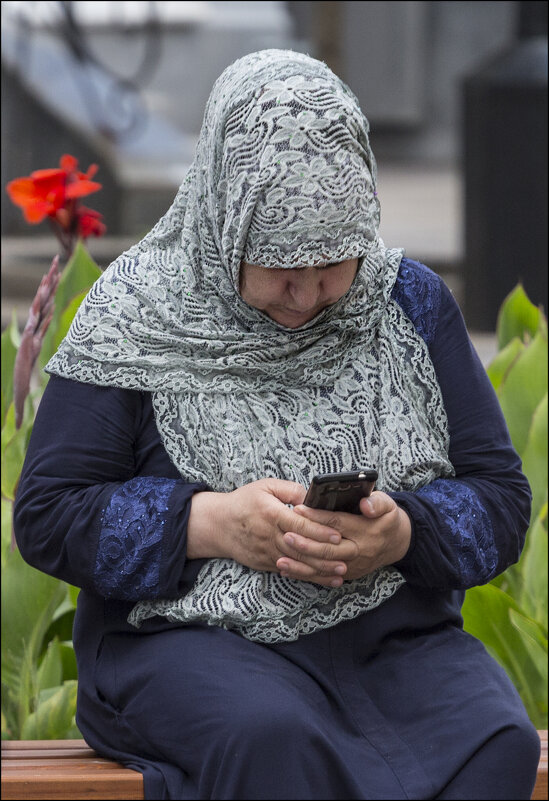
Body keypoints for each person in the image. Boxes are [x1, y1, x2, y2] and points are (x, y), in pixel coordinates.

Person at [14, 49, 540, 800]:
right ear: (224, 221)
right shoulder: (138, 313)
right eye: (278, 269)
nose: (305, 297)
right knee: (273, 739)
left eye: (331, 266)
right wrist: (211, 523)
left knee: (494, 737)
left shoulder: (408, 306)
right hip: (188, 639)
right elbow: (48, 512)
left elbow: (499, 498)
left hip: (388, 639)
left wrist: (400, 533)